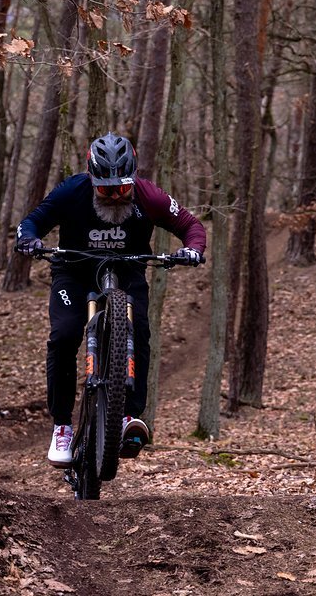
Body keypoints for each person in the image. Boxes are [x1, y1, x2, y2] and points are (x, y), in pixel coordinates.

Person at [15, 132, 207, 467]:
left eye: (122, 188)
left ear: (134, 180)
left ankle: (127, 416)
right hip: (74, 271)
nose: (116, 196)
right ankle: (62, 426)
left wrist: (192, 250)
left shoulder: (150, 196)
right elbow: (31, 222)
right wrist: (29, 240)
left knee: (141, 332)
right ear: (92, 179)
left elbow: (192, 225)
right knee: (64, 336)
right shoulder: (71, 191)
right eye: (106, 189)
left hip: (129, 269)